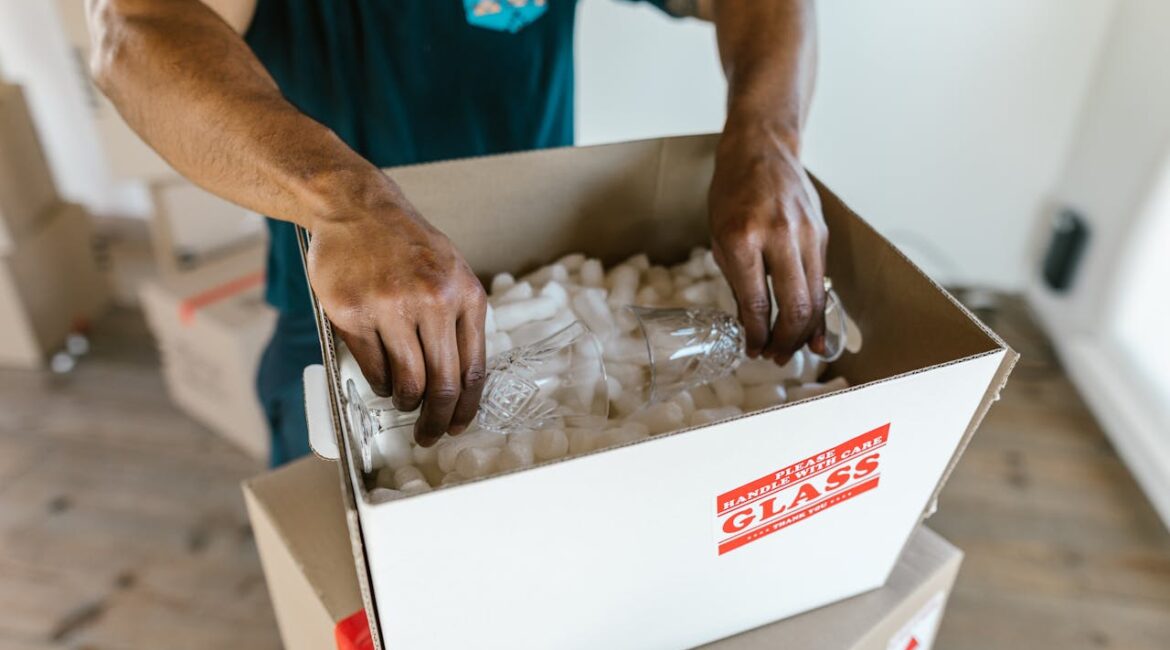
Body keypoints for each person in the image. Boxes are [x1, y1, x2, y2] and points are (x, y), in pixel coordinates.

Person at [88, 0, 828, 466]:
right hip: (344, 318)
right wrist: (348, 204)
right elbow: (132, 28)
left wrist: (766, 139)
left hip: (541, 270)